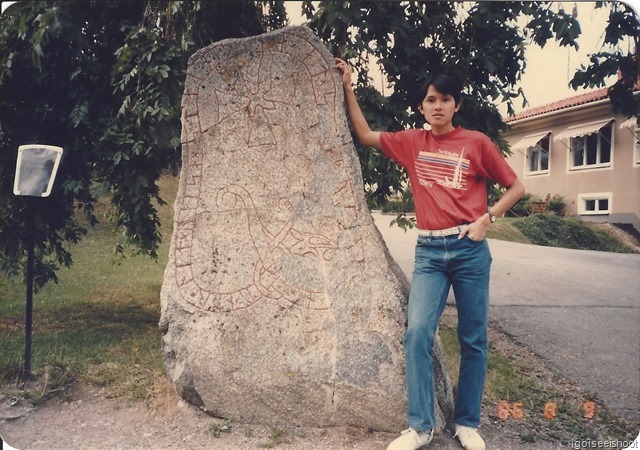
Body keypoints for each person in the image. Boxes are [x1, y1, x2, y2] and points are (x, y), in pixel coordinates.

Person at [335, 58, 525, 450]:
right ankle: (421, 427)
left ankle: (467, 423)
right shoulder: (411, 143)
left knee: (473, 338)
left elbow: (516, 187)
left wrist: (487, 219)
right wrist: (348, 86)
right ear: (422, 108)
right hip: (429, 253)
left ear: (456, 106)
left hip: (470, 249)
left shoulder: (476, 143)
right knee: (417, 332)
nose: (437, 106)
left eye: (445, 99)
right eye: (430, 100)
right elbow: (366, 134)